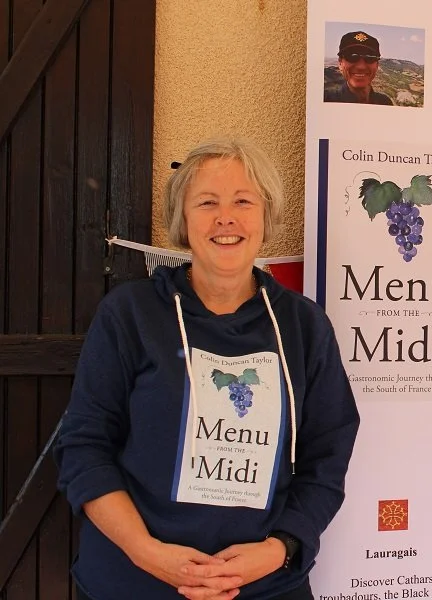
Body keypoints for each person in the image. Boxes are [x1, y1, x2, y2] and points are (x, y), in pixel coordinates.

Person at [54, 137, 360, 600]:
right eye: (206, 203)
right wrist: (147, 552)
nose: (226, 218)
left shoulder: (304, 325)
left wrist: (280, 549)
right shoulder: (130, 315)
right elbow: (84, 448)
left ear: (265, 216)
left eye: (243, 201)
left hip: (265, 586)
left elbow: (326, 458)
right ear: (182, 220)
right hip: (136, 582)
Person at [324, 30, 393, 105]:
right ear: (340, 63)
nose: (361, 67)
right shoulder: (326, 100)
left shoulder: (385, 102)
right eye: (352, 57)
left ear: (377, 65)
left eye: (370, 58)